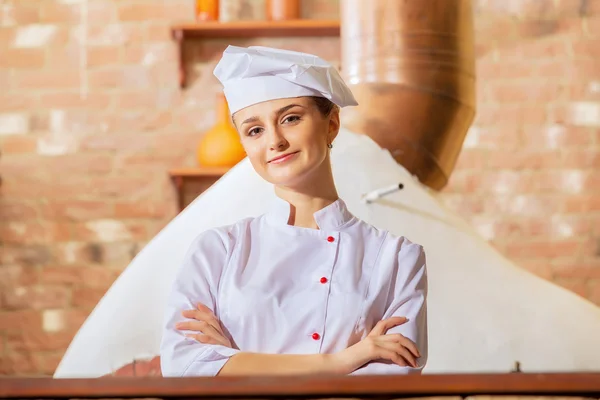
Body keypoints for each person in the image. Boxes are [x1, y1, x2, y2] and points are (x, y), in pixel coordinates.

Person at [160, 45, 428, 377]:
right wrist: (343, 360)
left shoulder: (397, 257)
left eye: (291, 118)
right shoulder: (217, 250)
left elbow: (389, 382)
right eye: (254, 130)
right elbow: (184, 368)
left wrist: (233, 362)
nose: (274, 141)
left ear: (331, 124)